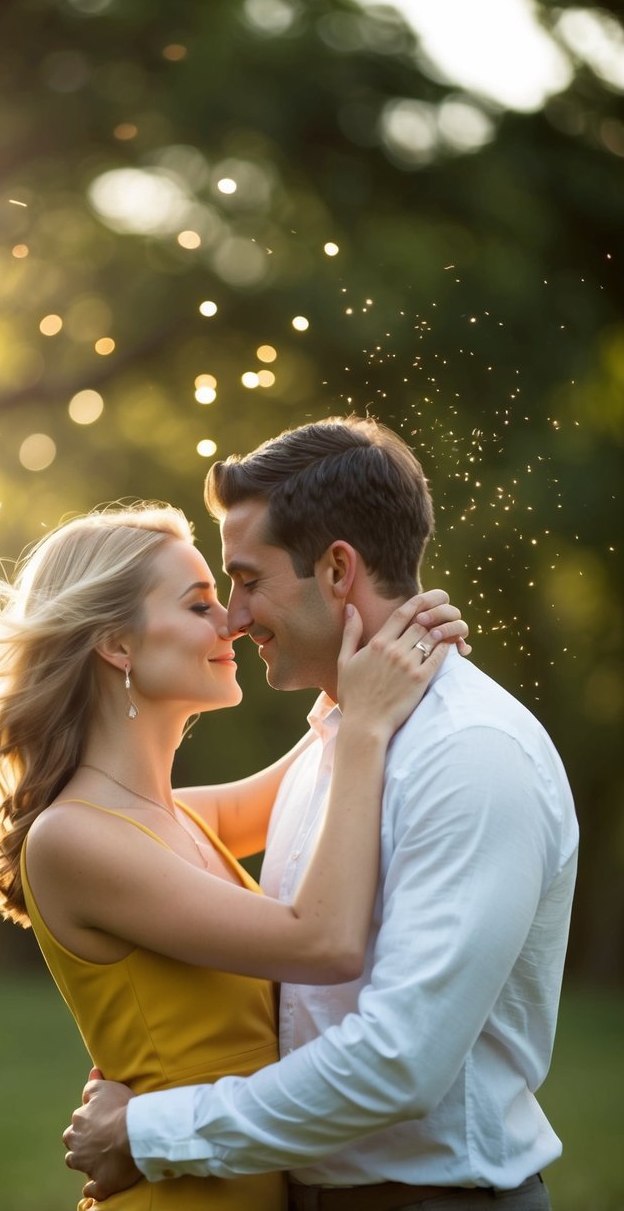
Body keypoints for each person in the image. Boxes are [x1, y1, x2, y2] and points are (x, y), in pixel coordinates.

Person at [64, 415, 578, 1211]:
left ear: (336, 570)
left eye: (246, 580)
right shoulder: (340, 738)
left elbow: (399, 1062)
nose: (234, 617)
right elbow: (140, 828)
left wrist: (152, 1130)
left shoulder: (470, 753)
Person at [0, 484, 468, 1211]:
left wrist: (385, 630)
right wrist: (363, 721)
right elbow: (322, 940)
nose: (232, 622)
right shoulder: (74, 839)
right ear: (117, 644)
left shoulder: (172, 818)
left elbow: (316, 759)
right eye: (199, 602)